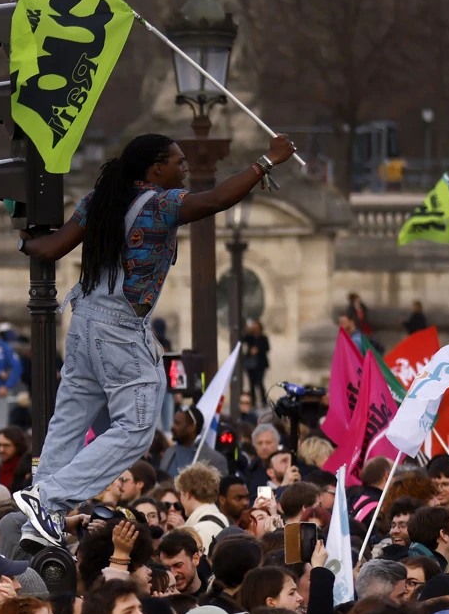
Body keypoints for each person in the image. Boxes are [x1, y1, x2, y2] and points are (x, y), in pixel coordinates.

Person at [19, 132, 296, 521]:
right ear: (156, 168)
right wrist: (266, 163)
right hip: (119, 328)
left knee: (68, 421)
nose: (184, 169)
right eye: (179, 162)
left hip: (82, 323)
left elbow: (49, 249)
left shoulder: (100, 201)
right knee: (136, 428)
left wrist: (26, 241)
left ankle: (36, 510)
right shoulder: (161, 204)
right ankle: (48, 497)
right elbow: (216, 199)